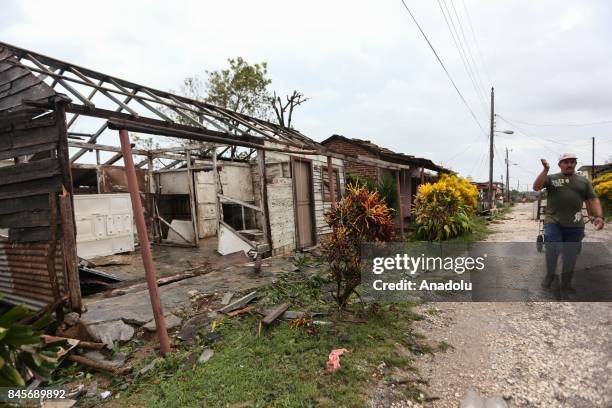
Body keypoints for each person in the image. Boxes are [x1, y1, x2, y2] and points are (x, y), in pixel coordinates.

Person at [532, 153, 605, 300]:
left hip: (575, 224)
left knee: (570, 255)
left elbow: (592, 200)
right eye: (566, 162)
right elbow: (536, 187)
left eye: (572, 162)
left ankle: (565, 284)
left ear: (575, 164)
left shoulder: (583, 182)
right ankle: (550, 275)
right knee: (553, 247)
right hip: (553, 221)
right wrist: (545, 170)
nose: (569, 164)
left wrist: (598, 216)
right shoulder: (552, 178)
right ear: (560, 165)